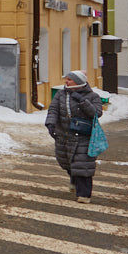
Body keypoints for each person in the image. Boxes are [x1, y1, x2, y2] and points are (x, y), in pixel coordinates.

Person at [44, 71, 104, 203]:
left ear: (78, 81)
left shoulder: (92, 96)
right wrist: (50, 124)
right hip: (64, 135)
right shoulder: (61, 94)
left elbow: (96, 113)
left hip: (83, 136)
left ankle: (84, 195)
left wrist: (82, 101)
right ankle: (74, 180)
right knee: (65, 162)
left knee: (82, 165)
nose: (66, 81)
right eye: (66, 79)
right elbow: (53, 110)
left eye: (69, 79)